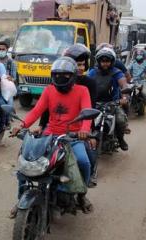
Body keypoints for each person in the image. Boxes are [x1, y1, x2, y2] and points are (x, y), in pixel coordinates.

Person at [11, 56, 94, 214]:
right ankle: (22, 197)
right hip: (50, 135)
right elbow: (36, 111)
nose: (60, 78)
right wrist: (21, 125)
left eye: (65, 75)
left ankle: (82, 194)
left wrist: (84, 130)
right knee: (26, 161)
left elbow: (86, 113)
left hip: (72, 137)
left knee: (84, 162)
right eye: (57, 74)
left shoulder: (82, 91)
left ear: (73, 76)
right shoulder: (49, 90)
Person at [38, 44, 98, 187]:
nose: (80, 68)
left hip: (78, 130)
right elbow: (45, 108)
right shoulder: (55, 82)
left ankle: (83, 189)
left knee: (86, 158)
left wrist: (87, 131)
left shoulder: (87, 85)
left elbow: (89, 110)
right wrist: (40, 126)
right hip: (53, 131)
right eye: (77, 64)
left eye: (82, 64)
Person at [87, 47, 130, 151]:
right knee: (85, 120)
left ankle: (120, 139)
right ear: (99, 61)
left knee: (120, 120)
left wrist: (124, 97)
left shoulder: (117, 72)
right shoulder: (92, 72)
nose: (105, 64)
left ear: (112, 61)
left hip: (112, 103)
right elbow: (85, 84)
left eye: (107, 61)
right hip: (95, 103)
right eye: (103, 61)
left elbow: (123, 84)